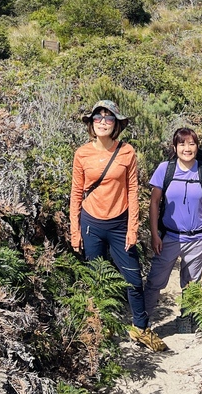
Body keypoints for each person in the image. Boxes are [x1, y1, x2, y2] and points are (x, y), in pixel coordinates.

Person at [70, 100, 167, 352]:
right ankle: (100, 328)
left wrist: (133, 228)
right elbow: (76, 194)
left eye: (109, 118)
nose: (103, 122)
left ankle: (140, 328)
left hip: (119, 224)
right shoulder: (82, 154)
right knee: (97, 278)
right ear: (91, 123)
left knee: (133, 279)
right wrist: (75, 231)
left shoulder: (127, 152)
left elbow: (133, 190)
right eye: (98, 117)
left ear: (116, 124)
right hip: (91, 223)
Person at [145, 127, 202, 331]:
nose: (187, 148)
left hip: (197, 239)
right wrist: (154, 234)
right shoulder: (165, 169)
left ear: (197, 146)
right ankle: (143, 321)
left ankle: (186, 320)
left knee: (191, 284)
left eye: (191, 144)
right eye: (182, 144)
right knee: (155, 281)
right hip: (169, 237)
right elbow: (154, 203)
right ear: (174, 147)